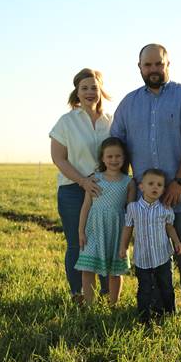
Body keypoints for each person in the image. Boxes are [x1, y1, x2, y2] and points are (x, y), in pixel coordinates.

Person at [111, 43, 181, 318]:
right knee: (151, 256)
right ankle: (158, 311)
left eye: (159, 64)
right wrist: (129, 191)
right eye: (148, 65)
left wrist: (178, 181)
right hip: (146, 201)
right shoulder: (128, 103)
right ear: (140, 67)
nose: (153, 69)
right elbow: (117, 147)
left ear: (168, 65)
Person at [49, 68, 112, 305]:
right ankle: (79, 294)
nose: (89, 92)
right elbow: (59, 158)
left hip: (106, 189)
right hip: (73, 190)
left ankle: (107, 294)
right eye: (84, 88)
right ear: (76, 92)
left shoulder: (111, 121)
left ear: (101, 90)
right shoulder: (66, 122)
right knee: (79, 241)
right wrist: (83, 181)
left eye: (94, 87)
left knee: (106, 239)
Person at [75, 137, 136, 305]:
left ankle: (113, 303)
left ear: (124, 158)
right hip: (94, 229)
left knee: (115, 271)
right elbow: (86, 207)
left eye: (118, 156)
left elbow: (130, 212)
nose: (114, 160)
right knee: (87, 269)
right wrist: (81, 231)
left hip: (117, 230)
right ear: (102, 158)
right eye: (110, 156)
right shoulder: (94, 178)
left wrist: (127, 237)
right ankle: (90, 303)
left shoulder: (128, 182)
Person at [119, 168, 181, 324]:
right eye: (151, 184)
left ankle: (169, 314)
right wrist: (123, 247)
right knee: (144, 289)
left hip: (162, 255)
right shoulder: (133, 208)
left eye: (159, 185)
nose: (155, 187)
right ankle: (144, 318)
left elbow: (169, 227)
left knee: (166, 286)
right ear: (142, 187)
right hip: (142, 257)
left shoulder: (165, 209)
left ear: (163, 189)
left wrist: (177, 241)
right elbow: (128, 228)